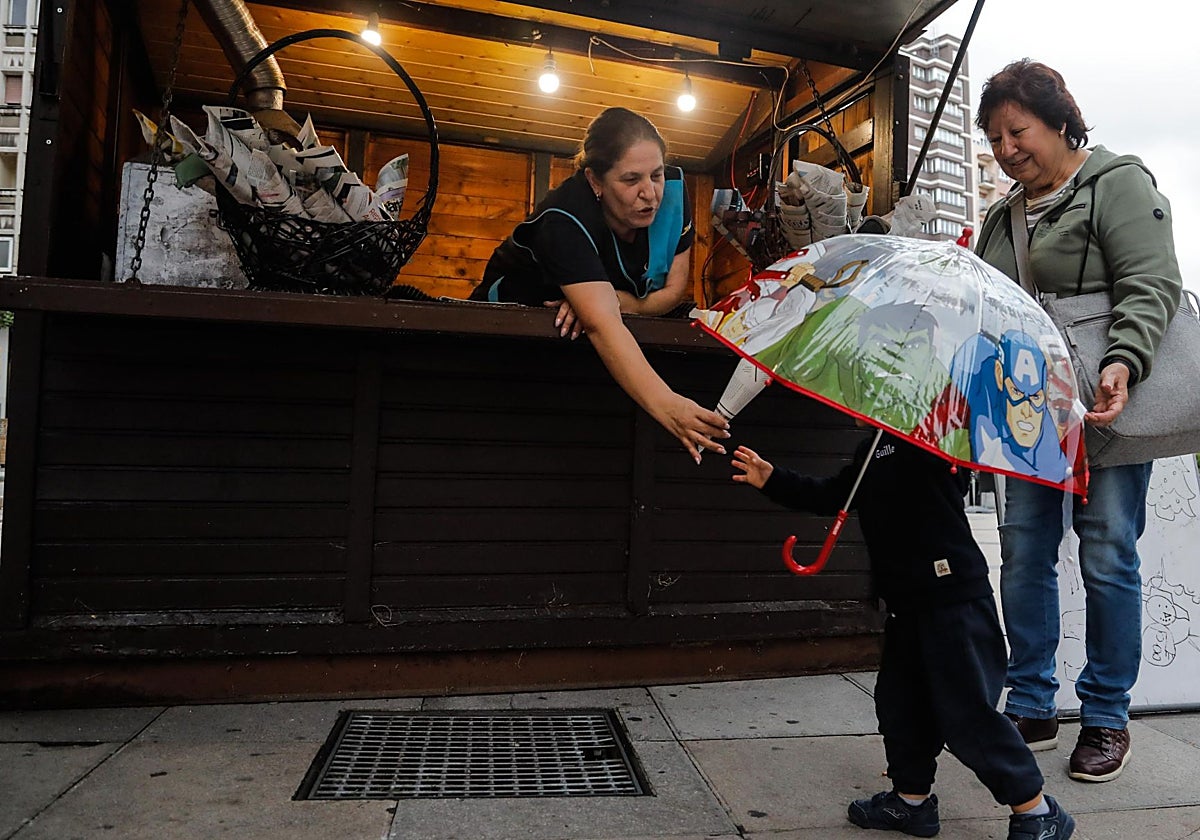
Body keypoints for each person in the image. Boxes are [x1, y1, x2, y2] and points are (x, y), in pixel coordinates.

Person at [974, 59, 1183, 782]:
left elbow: (1151, 282)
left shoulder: (1117, 182)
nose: (1006, 150)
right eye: (995, 139)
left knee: (1107, 553)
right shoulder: (1002, 215)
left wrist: (1124, 360)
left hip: (1104, 400)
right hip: (1028, 408)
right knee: (1023, 549)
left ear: (1062, 123)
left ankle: (1105, 716)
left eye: (1017, 132)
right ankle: (1031, 702)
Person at [731, 432, 1074, 838]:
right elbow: (835, 495)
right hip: (905, 607)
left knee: (967, 715)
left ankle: (1036, 810)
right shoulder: (871, 450)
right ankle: (911, 801)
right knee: (900, 707)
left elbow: (958, 463)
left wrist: (938, 434)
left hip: (953, 600)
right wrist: (772, 479)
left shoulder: (937, 437)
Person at [470, 107, 729, 463]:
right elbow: (601, 324)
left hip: (595, 349)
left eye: (656, 174)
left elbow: (672, 291)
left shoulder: (671, 192)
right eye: (631, 180)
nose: (650, 193)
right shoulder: (563, 218)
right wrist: (669, 406)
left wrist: (619, 302)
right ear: (595, 181)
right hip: (502, 343)